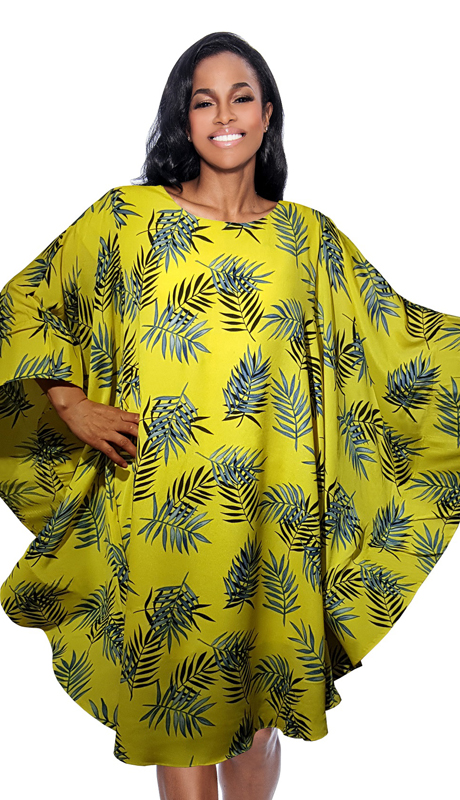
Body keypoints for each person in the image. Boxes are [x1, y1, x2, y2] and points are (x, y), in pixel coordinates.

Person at [0, 29, 459, 800]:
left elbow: (397, 344)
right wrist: (71, 403)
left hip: (275, 512)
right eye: (203, 100)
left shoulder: (306, 238)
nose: (223, 115)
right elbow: (28, 304)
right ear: (182, 118)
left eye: (240, 97)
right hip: (161, 508)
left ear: (267, 113)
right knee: (175, 703)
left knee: (257, 720)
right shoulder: (125, 220)